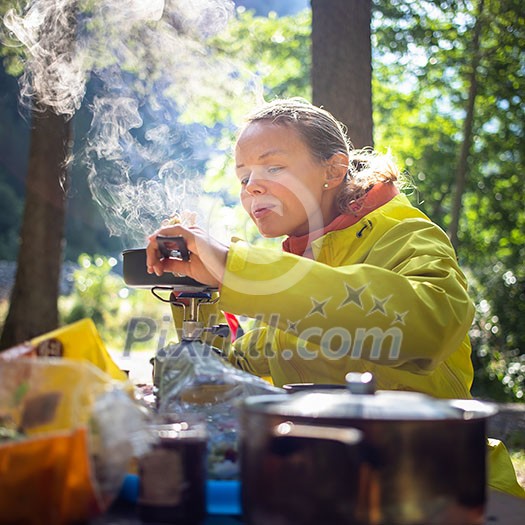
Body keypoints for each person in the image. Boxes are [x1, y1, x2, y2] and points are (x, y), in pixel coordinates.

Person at [146, 97, 524, 498]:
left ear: (334, 170)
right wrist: (199, 293)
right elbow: (224, 377)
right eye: (243, 177)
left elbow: (431, 327)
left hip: (445, 492)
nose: (252, 185)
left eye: (274, 167)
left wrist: (238, 268)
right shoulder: (291, 269)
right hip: (332, 494)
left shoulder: (407, 233)